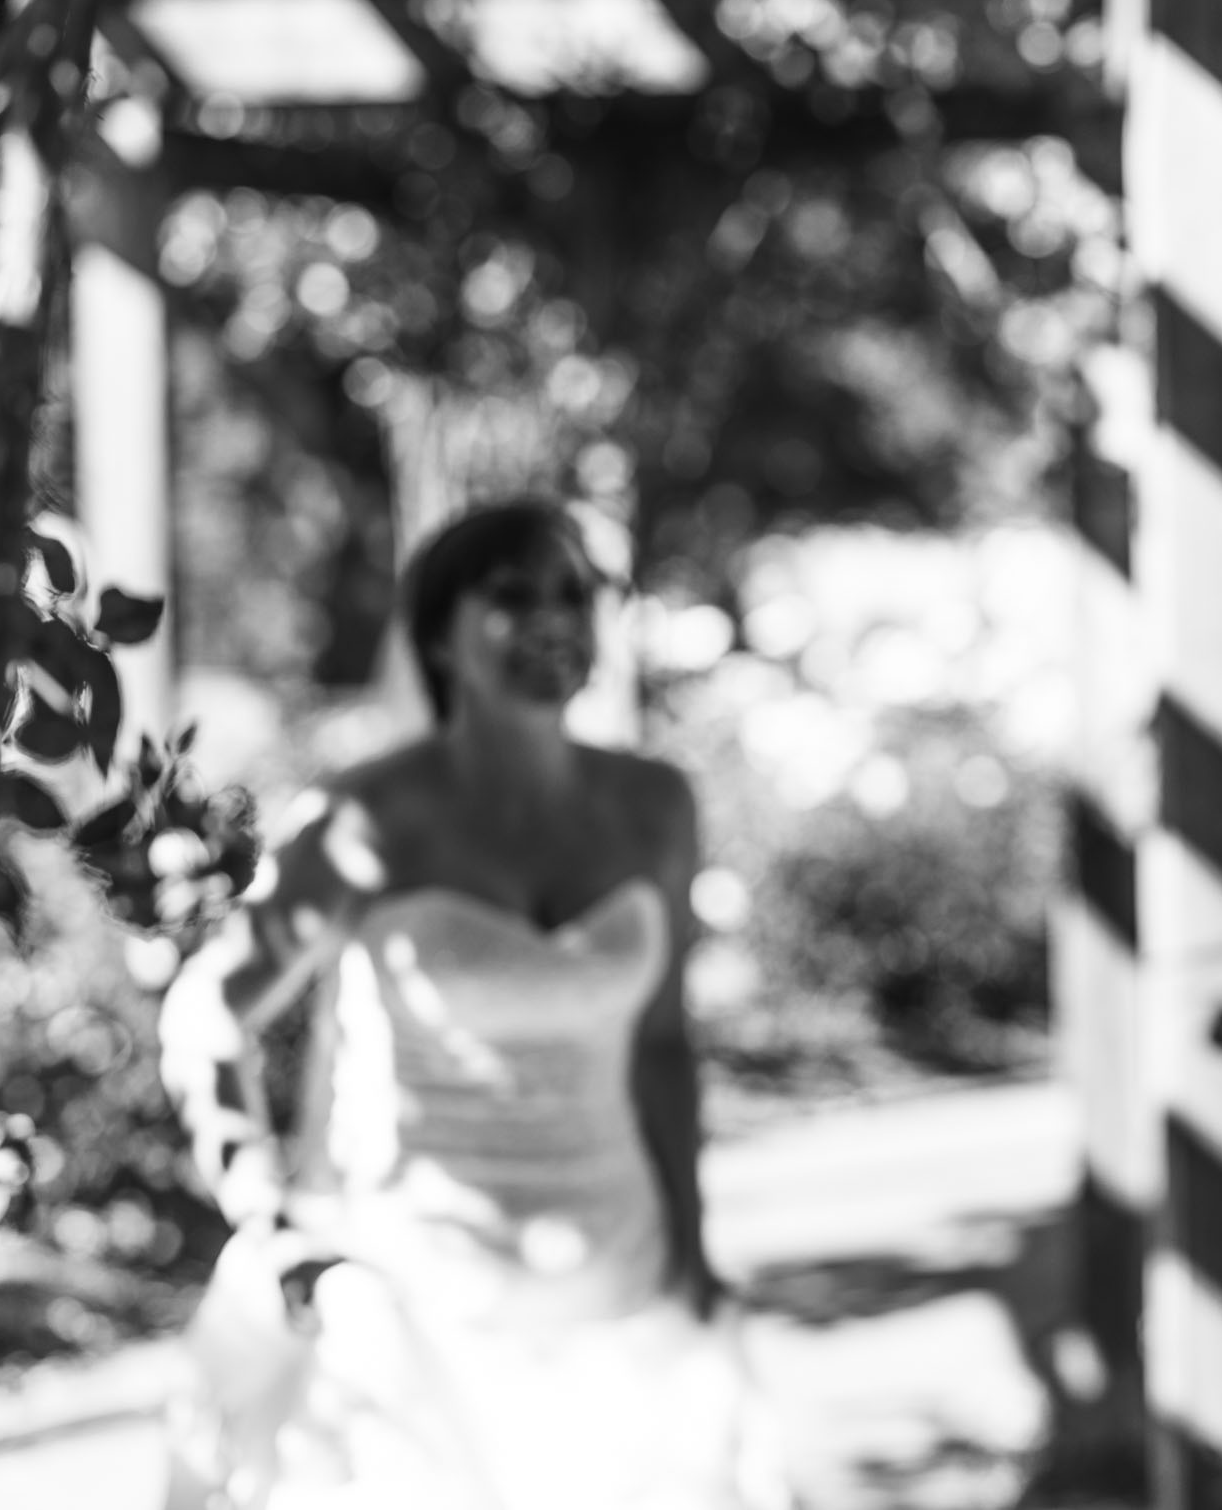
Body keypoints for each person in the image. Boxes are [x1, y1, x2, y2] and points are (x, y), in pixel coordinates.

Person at [158, 498, 788, 1510]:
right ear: (440, 636)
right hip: (415, 1308)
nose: (554, 619)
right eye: (513, 595)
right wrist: (263, 1213)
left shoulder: (655, 807)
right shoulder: (368, 819)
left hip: (618, 1288)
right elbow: (207, 1013)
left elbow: (661, 1047)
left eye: (575, 595)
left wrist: (694, 1251)